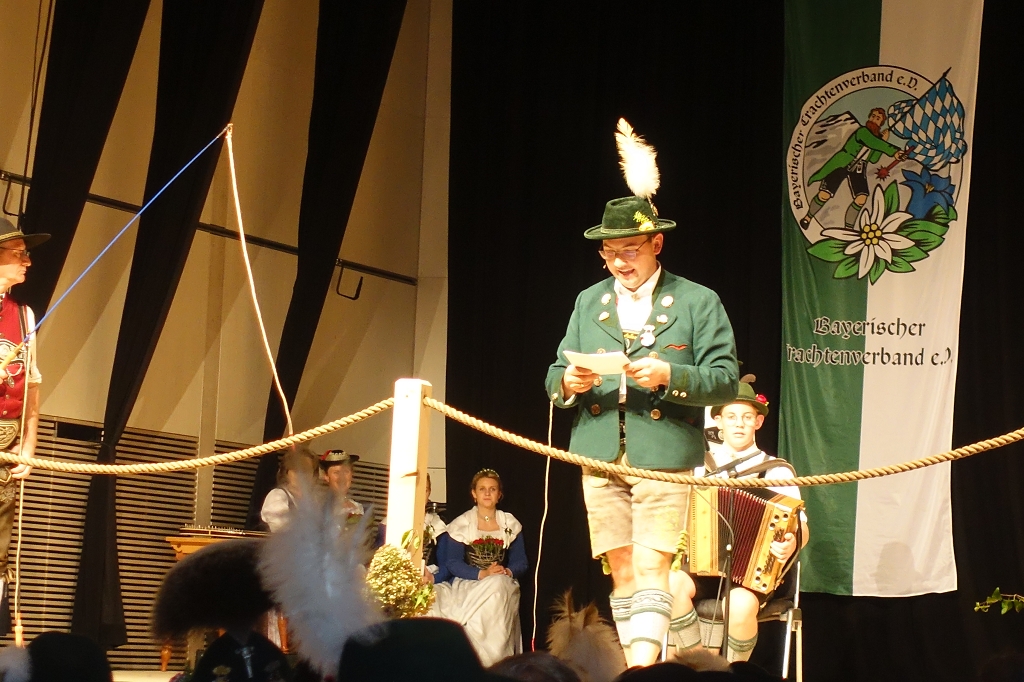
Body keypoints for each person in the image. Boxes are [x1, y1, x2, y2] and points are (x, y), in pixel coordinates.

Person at [545, 120, 738, 666]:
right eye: (609, 252)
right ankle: (637, 665)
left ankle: (643, 670)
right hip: (599, 451)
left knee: (655, 567)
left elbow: (725, 378)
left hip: (663, 450)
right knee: (625, 569)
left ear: (657, 243)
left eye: (630, 249)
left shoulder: (698, 300)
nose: (620, 262)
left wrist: (669, 377)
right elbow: (555, 372)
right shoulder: (589, 301)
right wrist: (568, 384)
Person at [695, 376, 809, 662]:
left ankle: (733, 672)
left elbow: (802, 526)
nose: (739, 424)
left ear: (758, 422)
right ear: (718, 421)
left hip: (752, 575)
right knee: (670, 586)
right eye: (731, 417)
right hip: (702, 566)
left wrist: (792, 542)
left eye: (747, 417)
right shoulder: (700, 467)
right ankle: (692, 669)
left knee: (739, 603)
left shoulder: (776, 471)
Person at [0, 217, 48, 631]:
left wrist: (29, 445)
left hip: (6, 444)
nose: (27, 261)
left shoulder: (24, 315)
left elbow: (32, 384)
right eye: (19, 254)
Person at [432, 469, 528, 667]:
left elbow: (521, 562)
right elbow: (453, 563)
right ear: (474, 494)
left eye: (492, 489)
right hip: (469, 582)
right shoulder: (462, 523)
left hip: (501, 580)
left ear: (499, 494)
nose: (487, 493)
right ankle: (475, 660)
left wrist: (507, 571)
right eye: (482, 489)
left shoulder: (509, 523)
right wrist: (482, 573)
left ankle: (495, 661)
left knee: (499, 586)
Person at [799, 107, 907, 230]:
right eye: (872, 116)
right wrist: (894, 151)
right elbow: (873, 142)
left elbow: (873, 159)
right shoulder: (863, 132)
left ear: (881, 123)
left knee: (861, 198)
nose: (873, 119)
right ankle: (807, 218)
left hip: (859, 169)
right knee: (825, 194)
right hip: (843, 163)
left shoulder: (876, 141)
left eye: (877, 118)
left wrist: (883, 141)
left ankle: (848, 229)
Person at [260, 448, 318, 532]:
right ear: (286, 473)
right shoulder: (277, 496)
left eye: (306, 471)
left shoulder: (315, 500)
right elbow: (282, 530)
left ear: (314, 475)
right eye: (296, 470)